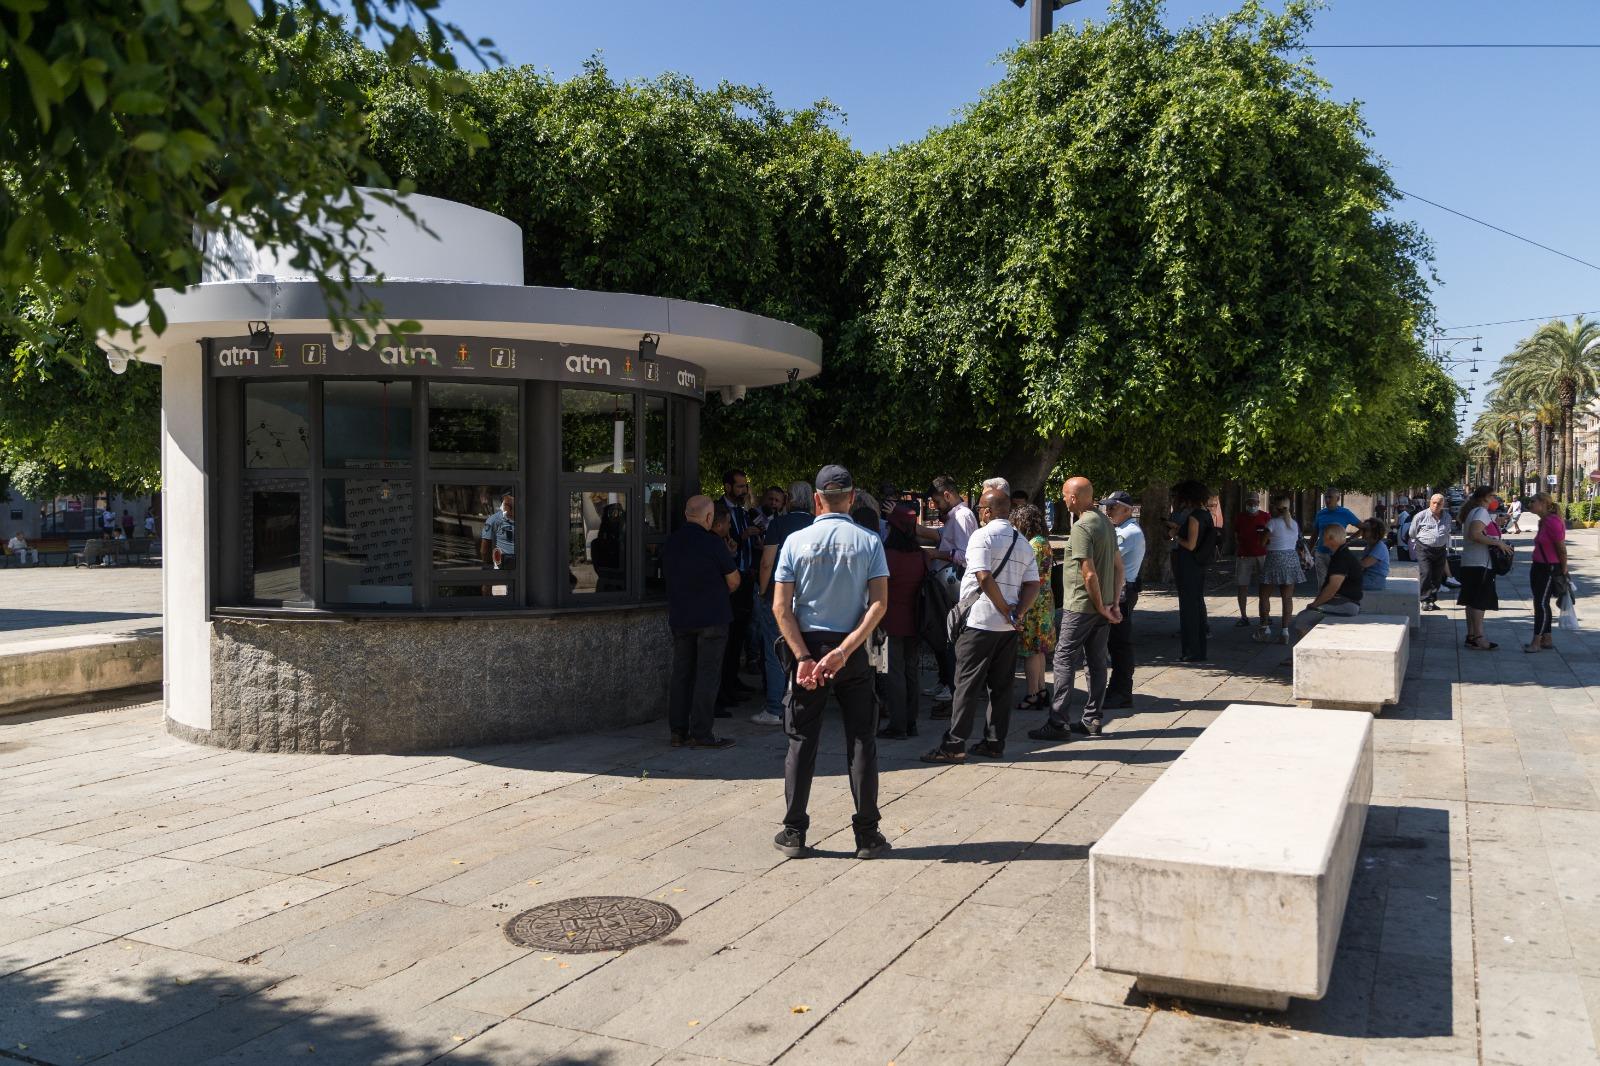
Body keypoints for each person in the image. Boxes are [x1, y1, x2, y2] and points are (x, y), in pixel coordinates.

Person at [772, 465, 891, 860]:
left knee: (802, 739)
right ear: (853, 498)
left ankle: (793, 831)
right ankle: (867, 834)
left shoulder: (795, 541)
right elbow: (878, 604)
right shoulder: (870, 540)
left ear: (818, 499)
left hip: (807, 643)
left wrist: (804, 656)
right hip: (851, 649)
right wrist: (845, 651)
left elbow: (780, 607)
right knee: (861, 739)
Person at [923, 488, 1039, 761]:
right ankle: (994, 742)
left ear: (987, 511)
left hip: (979, 622)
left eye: (980, 510)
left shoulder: (982, 536)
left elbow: (984, 577)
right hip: (1007, 629)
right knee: (1001, 688)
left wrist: (1003, 608)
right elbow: (1033, 583)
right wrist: (1017, 613)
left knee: (966, 684)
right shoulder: (1021, 540)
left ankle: (954, 744)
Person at [1030, 477, 1122, 741]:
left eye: (1065, 495)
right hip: (1100, 605)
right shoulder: (1105, 521)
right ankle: (1093, 718)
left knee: (1063, 660)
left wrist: (1102, 606)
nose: (1064, 500)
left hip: (1082, 606)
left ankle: (1058, 722)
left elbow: (1089, 574)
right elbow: (1119, 568)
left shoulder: (1083, 527)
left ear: (1074, 498)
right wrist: (1112, 603)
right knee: (1096, 662)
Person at [663, 496, 739, 750]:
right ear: (709, 518)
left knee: (681, 674)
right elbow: (734, 581)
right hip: (712, 618)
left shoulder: (671, 541)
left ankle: (677, 732)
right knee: (707, 675)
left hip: (681, 617)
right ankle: (702, 732)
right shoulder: (713, 543)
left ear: (686, 514)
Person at [750, 482, 814, 727]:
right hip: (810, 597)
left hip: (780, 595)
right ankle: (805, 705)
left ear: (789, 499)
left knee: (775, 651)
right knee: (806, 650)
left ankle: (775, 708)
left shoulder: (779, 524)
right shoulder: (817, 525)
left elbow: (767, 562)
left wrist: (763, 590)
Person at [917, 476, 979, 703]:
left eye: (936, 501)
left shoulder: (962, 516)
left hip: (953, 587)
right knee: (941, 635)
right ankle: (945, 681)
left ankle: (952, 685)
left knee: (949, 637)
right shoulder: (955, 517)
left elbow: (966, 555)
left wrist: (936, 554)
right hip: (944, 584)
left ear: (947, 495)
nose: (934, 506)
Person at [878, 508, 929, 739]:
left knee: (892, 673)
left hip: (889, 621)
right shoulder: (920, 555)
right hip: (915, 620)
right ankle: (911, 722)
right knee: (910, 672)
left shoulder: (887, 555)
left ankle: (897, 725)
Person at [719, 469, 761, 706]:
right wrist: (742, 536)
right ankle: (724, 685)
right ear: (727, 487)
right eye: (739, 487)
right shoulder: (719, 510)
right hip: (728, 580)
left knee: (740, 635)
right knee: (728, 634)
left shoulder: (745, 512)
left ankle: (733, 679)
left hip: (746, 577)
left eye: (745, 486)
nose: (743, 491)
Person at [1102, 491, 1144, 709]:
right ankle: (1117, 689)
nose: (1108, 511)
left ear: (1128, 510)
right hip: (1120, 590)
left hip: (1123, 592)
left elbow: (1104, 557)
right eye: (1107, 507)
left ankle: (1121, 691)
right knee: (1116, 643)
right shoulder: (1120, 530)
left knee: (1120, 644)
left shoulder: (1128, 533)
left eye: (1113, 507)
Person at [1011, 504, 1055, 711]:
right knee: (1039, 651)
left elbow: (1027, 577)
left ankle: (1032, 694)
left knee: (1030, 651)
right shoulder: (1042, 542)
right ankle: (1041, 690)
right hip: (1044, 602)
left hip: (1033, 604)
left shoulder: (1032, 545)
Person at [1456, 485, 1507, 651]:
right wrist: (1497, 542)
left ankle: (1471, 636)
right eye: (1492, 496)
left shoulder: (1474, 512)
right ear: (1484, 497)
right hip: (1480, 564)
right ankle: (1479, 637)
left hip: (1471, 563)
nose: (1494, 499)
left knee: (1471, 601)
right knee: (1479, 601)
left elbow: (1479, 532)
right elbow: (1475, 534)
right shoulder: (1481, 512)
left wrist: (1495, 524)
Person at [1290, 525, 1364, 638]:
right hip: (1342, 602)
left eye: (1323, 536)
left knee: (1302, 620)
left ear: (1331, 538)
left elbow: (1332, 588)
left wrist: (1314, 605)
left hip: (1346, 604)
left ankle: (1312, 653)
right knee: (1304, 615)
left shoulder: (1342, 557)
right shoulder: (1340, 554)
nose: (1322, 539)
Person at [1168, 480, 1214, 662]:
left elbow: (1191, 544)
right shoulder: (1206, 514)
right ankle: (1197, 650)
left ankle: (1191, 651)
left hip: (1188, 565)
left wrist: (1176, 536)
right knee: (1196, 605)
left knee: (1188, 609)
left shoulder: (1194, 516)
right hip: (1198, 566)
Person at [1254, 495, 1304, 644]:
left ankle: (1265, 628)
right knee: (1287, 598)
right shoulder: (1294, 524)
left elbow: (1262, 543)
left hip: (1274, 559)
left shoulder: (1272, 523)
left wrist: (1263, 537)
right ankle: (1285, 631)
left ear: (1275, 507)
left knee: (1264, 595)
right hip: (1291, 559)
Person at [1525, 493, 1567, 652]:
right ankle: (1547, 638)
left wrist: (1564, 569)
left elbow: (1561, 548)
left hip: (1549, 568)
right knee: (1542, 602)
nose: (1530, 504)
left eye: (1533, 501)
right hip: (1539, 566)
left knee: (1541, 604)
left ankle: (1536, 642)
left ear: (1543, 503)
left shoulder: (1553, 522)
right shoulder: (1544, 521)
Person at [1232, 493, 1270, 626]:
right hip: (1244, 555)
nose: (1252, 506)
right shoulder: (1240, 517)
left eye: (1254, 503)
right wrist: (1239, 544)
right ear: (1246, 504)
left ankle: (1265, 615)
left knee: (1264, 586)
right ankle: (1243, 616)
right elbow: (1236, 533)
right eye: (1249, 503)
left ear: (1258, 503)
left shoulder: (1265, 516)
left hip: (1262, 554)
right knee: (1242, 586)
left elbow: (1271, 534)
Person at [1409, 494, 1452, 611]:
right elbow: (1412, 533)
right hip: (1424, 548)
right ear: (1430, 502)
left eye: (1439, 503)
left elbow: (1447, 532)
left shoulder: (1447, 517)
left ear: (1443, 505)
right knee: (1426, 573)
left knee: (1437, 576)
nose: (1436, 505)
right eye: (1434, 502)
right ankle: (1424, 600)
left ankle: (1432, 600)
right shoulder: (1420, 516)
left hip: (1440, 549)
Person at [1311, 490, 1361, 588]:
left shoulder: (1345, 513)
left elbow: (1363, 527)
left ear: (1337, 499)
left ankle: (1336, 602)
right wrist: (1309, 551)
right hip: (1321, 553)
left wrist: (1350, 539)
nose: (1327, 500)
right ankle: (1323, 603)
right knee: (1322, 584)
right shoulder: (1320, 514)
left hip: (1337, 554)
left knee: (1336, 584)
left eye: (1330, 497)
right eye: (1326, 497)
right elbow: (1314, 534)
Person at [479, 492, 516, 570]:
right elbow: (484, 548)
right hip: (503, 561)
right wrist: (487, 563)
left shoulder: (524, 519)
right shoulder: (494, 520)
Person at [1359, 517, 1391, 591]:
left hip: (1375, 580)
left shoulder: (1379, 546)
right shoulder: (1370, 545)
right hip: (1368, 576)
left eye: (1366, 530)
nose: (1362, 531)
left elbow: (1364, 564)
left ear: (1374, 532)